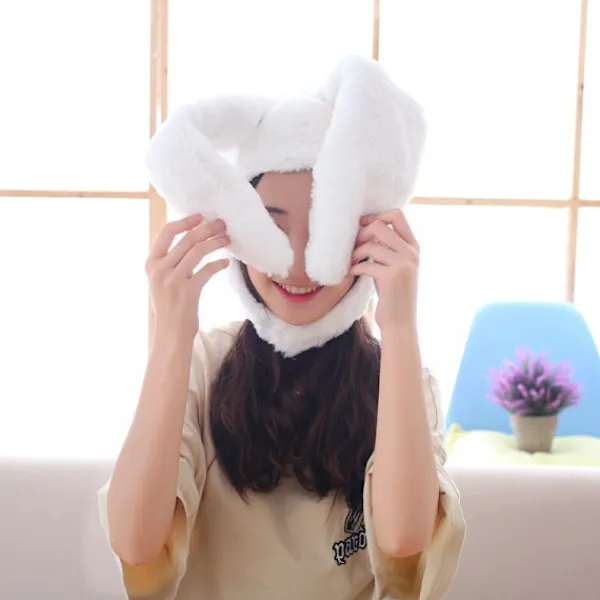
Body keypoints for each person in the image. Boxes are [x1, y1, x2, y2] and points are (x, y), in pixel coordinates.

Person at [98, 55, 465, 600]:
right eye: (271, 228)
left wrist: (401, 325)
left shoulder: (401, 380)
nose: (296, 263)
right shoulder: (203, 364)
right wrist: (172, 335)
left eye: (324, 231)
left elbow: (404, 542)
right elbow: (134, 543)